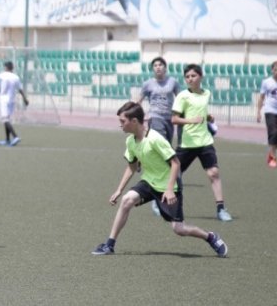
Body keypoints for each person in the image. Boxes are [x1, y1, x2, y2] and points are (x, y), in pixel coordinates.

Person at [91, 101, 227, 257]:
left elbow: (175, 163)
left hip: (169, 187)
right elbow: (132, 167)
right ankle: (109, 245)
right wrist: (119, 190)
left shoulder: (155, 139)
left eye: (123, 121)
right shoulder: (130, 141)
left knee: (179, 229)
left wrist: (169, 189)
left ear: (134, 121)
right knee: (127, 200)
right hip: (149, 182)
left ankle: (210, 237)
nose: (120, 125)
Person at [172, 64, 233, 222]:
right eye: (187, 76)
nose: (190, 79)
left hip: (205, 141)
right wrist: (191, 120)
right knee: (172, 174)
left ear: (201, 77)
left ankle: (221, 209)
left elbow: (201, 111)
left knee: (213, 173)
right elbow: (174, 119)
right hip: (187, 143)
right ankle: (160, 201)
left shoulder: (207, 93)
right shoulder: (182, 96)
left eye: (193, 75)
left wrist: (208, 117)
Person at [136, 56, 182, 216]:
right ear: (152, 68)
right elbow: (139, 101)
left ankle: (144, 162)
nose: (158, 67)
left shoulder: (173, 82)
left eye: (160, 64)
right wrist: (138, 117)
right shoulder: (148, 84)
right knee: (162, 155)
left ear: (165, 67)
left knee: (165, 153)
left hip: (169, 120)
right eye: (155, 65)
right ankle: (157, 197)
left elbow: (181, 99)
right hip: (155, 119)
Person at [0, 60, 29, 146]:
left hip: (4, 99)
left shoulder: (2, 75)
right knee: (7, 120)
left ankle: (15, 137)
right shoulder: (16, 77)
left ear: (6, 67)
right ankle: (7, 139)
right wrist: (25, 99)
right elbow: (20, 89)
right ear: (12, 68)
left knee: (5, 120)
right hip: (12, 100)